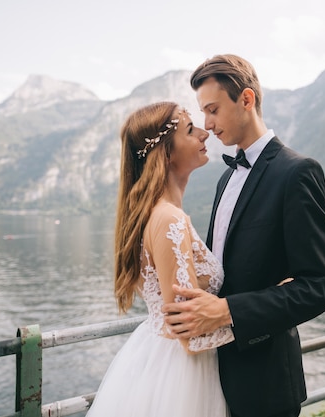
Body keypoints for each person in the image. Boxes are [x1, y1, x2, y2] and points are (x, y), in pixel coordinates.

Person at [162, 54, 325, 417]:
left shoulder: (298, 173)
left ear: (246, 99)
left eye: (213, 110)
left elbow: (322, 285)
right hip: (210, 376)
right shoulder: (225, 179)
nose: (208, 125)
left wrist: (227, 310)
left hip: (265, 382)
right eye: (203, 114)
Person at [86, 102, 234, 417]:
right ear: (166, 153)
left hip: (156, 359)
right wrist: (258, 313)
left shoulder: (151, 214)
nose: (205, 132)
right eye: (191, 130)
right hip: (183, 373)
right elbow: (189, 335)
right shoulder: (169, 220)